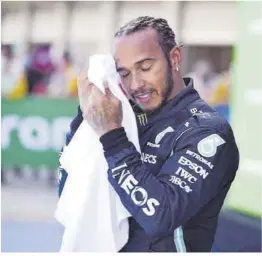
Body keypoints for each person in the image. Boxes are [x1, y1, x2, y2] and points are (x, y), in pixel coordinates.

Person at [57, 16, 239, 252]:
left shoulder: (207, 132)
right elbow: (72, 192)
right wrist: (84, 118)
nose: (135, 85)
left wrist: (113, 136)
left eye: (145, 67)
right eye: (124, 73)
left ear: (174, 58)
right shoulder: (123, 116)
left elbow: (160, 217)